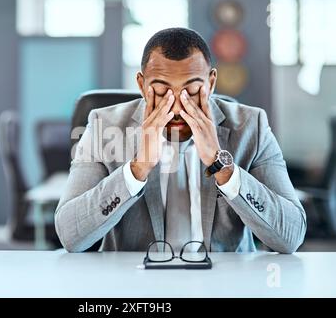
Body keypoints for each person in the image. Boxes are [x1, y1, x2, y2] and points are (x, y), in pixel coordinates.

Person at [54, 28, 306, 253]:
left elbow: (291, 236)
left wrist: (223, 167)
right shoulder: (102, 126)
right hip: (133, 286)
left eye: (192, 91)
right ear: (142, 85)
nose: (176, 108)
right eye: (162, 90)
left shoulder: (253, 126)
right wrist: (137, 168)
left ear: (211, 82)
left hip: (225, 285)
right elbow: (70, 236)